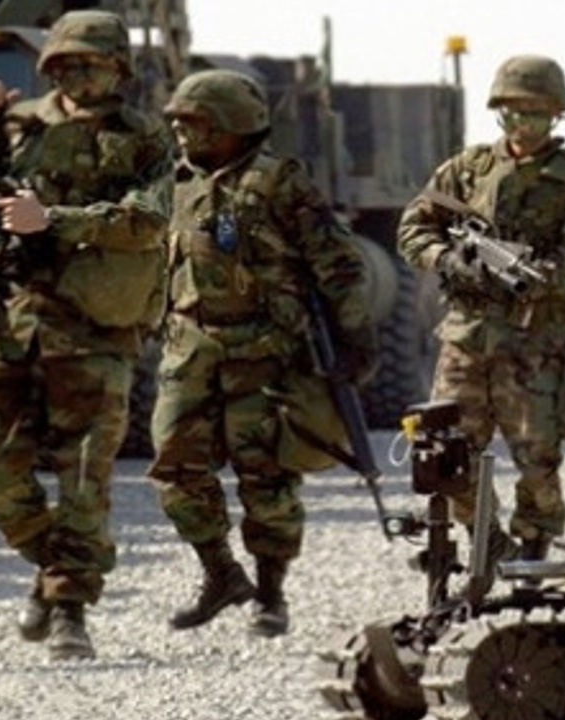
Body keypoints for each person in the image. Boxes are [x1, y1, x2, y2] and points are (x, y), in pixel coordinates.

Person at [0, 10, 174, 661]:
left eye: (90, 63)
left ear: (118, 68)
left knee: (84, 479)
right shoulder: (15, 125)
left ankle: (68, 609)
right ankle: (56, 566)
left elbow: (149, 220)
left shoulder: (145, 137)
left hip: (96, 333)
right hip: (14, 327)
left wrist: (52, 219)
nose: (76, 75)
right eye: (63, 64)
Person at [150, 69, 370, 637]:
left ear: (233, 125)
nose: (181, 131)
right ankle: (221, 574)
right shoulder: (176, 184)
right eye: (177, 121)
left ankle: (271, 595)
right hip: (189, 352)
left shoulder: (279, 183)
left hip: (265, 355)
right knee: (173, 466)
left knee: (266, 476)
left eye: (194, 121)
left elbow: (339, 264)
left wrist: (354, 338)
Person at [397, 54, 565, 565]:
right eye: (513, 113)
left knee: (537, 459)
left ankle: (533, 552)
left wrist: (531, 277)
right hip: (466, 338)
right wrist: (449, 259)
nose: (523, 125)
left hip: (535, 342)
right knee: (445, 450)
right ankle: (486, 541)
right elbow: (413, 229)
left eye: (536, 114)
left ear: (556, 115)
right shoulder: (466, 170)